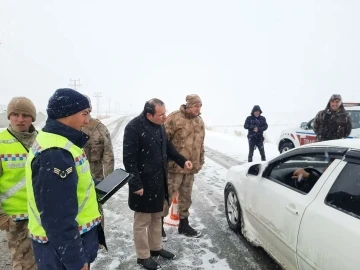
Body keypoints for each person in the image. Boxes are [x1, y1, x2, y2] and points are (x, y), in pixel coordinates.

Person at [26, 88, 105, 270]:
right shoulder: (55, 153)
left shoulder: (58, 141)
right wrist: (76, 262)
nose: (87, 120)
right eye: (84, 114)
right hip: (59, 250)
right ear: (66, 113)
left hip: (60, 246)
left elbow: (73, 187)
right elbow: (57, 218)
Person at [123, 98, 193, 270]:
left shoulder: (160, 125)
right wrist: (136, 184)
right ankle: (143, 256)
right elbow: (129, 160)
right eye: (161, 114)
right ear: (149, 114)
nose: (165, 117)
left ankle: (155, 248)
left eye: (165, 112)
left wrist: (182, 161)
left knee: (157, 217)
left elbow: (168, 148)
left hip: (159, 180)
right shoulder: (133, 127)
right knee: (142, 221)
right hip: (143, 183)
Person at [0, 97, 37, 270]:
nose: (20, 119)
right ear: (9, 116)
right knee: (22, 264)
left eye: (25, 115)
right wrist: (1, 216)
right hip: (16, 218)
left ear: (33, 118)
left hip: (43, 214)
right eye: (15, 114)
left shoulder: (43, 140)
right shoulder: (1, 142)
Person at [162, 94, 204, 240]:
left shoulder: (199, 121)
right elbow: (163, 142)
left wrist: (200, 161)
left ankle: (184, 225)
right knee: (167, 196)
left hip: (190, 168)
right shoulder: (174, 118)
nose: (198, 109)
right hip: (174, 167)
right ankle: (158, 226)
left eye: (200, 106)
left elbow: (201, 144)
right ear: (188, 105)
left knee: (186, 197)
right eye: (196, 106)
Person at [82, 96, 114, 230]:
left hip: (95, 176)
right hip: (73, 177)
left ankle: (97, 236)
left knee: (96, 208)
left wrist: (109, 182)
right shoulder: (67, 128)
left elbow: (108, 155)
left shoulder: (99, 129)